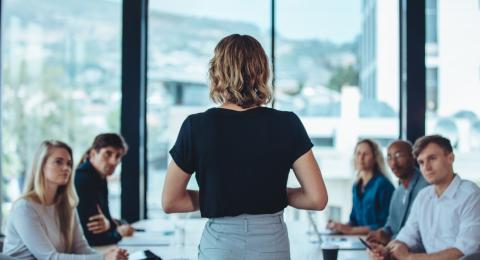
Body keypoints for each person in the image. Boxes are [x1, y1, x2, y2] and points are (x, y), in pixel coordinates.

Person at [161, 34, 328, 260]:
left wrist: (221, 196)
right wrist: (272, 193)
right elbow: (316, 199)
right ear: (263, 72)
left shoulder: (196, 126)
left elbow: (171, 201)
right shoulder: (287, 123)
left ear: (216, 72)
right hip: (271, 242)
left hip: (219, 244)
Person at [3, 140, 128, 260]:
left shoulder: (66, 205)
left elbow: (81, 249)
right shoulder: (24, 207)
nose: (66, 168)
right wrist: (103, 258)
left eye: (69, 164)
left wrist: (110, 256)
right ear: (41, 165)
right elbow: (49, 258)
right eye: (58, 162)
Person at [370, 135, 480, 259]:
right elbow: (406, 237)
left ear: (450, 158)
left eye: (432, 158)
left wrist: (410, 258)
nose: (426, 167)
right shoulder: (424, 196)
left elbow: (465, 250)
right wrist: (386, 251)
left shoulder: (471, 195)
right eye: (421, 162)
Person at [75, 133, 135, 246]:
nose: (114, 161)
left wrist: (111, 224)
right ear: (93, 153)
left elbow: (106, 220)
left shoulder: (99, 177)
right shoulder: (82, 179)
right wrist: (118, 232)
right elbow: (92, 236)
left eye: (118, 156)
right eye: (108, 153)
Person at [366, 140, 429, 245]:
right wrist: (382, 233)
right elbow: (390, 224)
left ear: (413, 157)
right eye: (389, 157)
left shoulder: (426, 187)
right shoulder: (397, 192)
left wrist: (390, 239)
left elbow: (420, 233)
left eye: (399, 156)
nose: (393, 163)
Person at [328, 139, 395, 235]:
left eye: (366, 154)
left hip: (377, 242)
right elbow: (354, 221)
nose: (361, 158)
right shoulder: (356, 186)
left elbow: (385, 225)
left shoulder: (383, 185)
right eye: (358, 153)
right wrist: (339, 227)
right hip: (359, 240)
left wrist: (351, 231)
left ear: (375, 158)